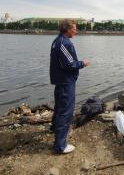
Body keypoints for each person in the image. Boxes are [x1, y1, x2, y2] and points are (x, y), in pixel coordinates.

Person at [50, 19, 89, 154]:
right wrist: (82, 63)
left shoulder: (57, 40)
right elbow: (68, 64)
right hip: (65, 82)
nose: (76, 31)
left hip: (61, 81)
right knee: (65, 112)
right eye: (74, 28)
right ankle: (60, 146)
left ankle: (55, 129)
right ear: (67, 29)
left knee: (59, 107)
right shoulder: (64, 43)